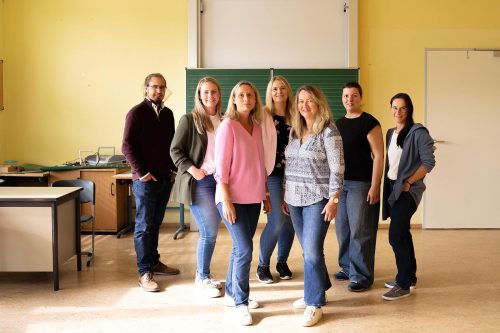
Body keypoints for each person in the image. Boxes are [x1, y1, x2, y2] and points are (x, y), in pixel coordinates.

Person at [283, 85, 344, 327]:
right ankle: (317, 288)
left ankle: (315, 302)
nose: (304, 105)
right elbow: (288, 165)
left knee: (312, 251)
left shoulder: (329, 132)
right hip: (294, 200)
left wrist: (334, 199)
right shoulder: (295, 132)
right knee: (309, 251)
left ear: (319, 103)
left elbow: (337, 168)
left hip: (318, 200)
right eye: (300, 101)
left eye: (309, 101)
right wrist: (286, 194)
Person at [215, 81, 271, 326]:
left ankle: (231, 293)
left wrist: (265, 194)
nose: (246, 98)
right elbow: (221, 168)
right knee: (246, 249)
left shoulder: (256, 127)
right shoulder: (228, 126)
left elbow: (259, 163)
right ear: (234, 99)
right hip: (230, 199)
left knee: (240, 248)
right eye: (241, 95)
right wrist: (226, 200)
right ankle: (241, 303)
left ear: (255, 99)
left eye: (250, 95)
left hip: (252, 197)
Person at [122, 73, 180, 292]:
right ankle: (144, 272)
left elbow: (172, 145)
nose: (159, 91)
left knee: (155, 223)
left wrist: (173, 170)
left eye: (162, 87)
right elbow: (127, 146)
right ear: (146, 88)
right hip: (145, 180)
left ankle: (154, 262)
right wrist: (143, 172)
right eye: (154, 87)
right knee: (144, 226)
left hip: (164, 178)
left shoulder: (168, 114)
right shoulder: (136, 113)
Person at [170, 77, 223, 298]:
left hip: (220, 182)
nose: (209, 95)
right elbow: (175, 151)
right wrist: (193, 170)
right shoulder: (189, 120)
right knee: (209, 232)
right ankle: (201, 278)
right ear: (199, 95)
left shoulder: (224, 119)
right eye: (205, 92)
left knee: (213, 231)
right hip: (200, 181)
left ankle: (206, 275)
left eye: (213, 91)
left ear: (219, 94)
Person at [381, 93, 435, 301]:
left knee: (395, 235)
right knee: (403, 232)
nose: (398, 112)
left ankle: (402, 284)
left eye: (402, 108)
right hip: (393, 189)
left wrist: (409, 182)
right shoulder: (390, 133)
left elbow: (428, 163)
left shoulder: (418, 132)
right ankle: (409, 277)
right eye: (394, 107)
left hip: (407, 190)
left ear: (409, 110)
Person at [333, 82, 384, 292]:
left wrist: (375, 186)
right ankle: (347, 267)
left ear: (360, 98)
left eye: (354, 95)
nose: (349, 99)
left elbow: (379, 155)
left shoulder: (369, 122)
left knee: (360, 230)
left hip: (361, 184)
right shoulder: (338, 124)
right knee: (343, 229)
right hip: (341, 185)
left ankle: (361, 275)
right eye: (346, 96)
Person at [256, 76, 296, 283]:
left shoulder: (296, 114)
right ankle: (263, 265)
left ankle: (282, 261)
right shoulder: (263, 115)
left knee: (289, 221)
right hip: (272, 174)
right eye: (274, 89)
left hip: (293, 175)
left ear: (288, 91)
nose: (278, 92)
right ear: (269, 93)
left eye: (282, 88)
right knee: (277, 220)